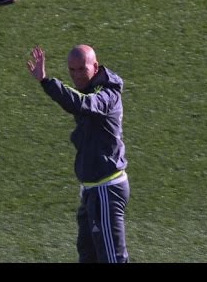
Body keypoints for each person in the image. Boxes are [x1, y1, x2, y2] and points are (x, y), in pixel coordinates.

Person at [26, 44, 130, 263]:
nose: (77, 76)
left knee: (112, 260)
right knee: (88, 256)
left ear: (95, 65)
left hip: (106, 189)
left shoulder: (106, 95)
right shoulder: (89, 90)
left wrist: (46, 81)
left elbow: (83, 105)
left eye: (82, 69)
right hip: (92, 190)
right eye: (72, 70)